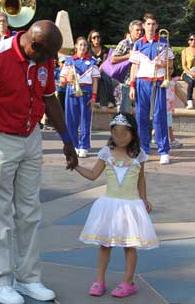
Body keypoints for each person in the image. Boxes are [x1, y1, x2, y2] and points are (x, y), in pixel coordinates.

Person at [0, 20, 78, 304]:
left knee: (29, 213)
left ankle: (28, 279)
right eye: (48, 55)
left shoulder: (43, 59)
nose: (51, 61)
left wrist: (66, 139)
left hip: (31, 138)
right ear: (35, 45)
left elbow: (50, 99)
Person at [71, 112, 158, 298]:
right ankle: (99, 280)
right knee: (104, 244)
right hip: (109, 206)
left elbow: (141, 179)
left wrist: (144, 198)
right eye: (116, 133)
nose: (120, 138)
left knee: (130, 245)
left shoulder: (138, 155)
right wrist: (76, 166)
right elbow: (93, 174)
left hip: (131, 205)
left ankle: (128, 282)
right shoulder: (106, 153)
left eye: (124, 133)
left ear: (133, 133)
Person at [128, 13, 172, 164]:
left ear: (157, 26)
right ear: (144, 25)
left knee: (160, 116)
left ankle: (164, 151)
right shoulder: (138, 44)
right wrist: (132, 85)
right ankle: (143, 149)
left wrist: (164, 65)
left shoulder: (165, 42)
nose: (151, 27)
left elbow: (171, 67)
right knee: (141, 117)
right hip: (142, 82)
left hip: (159, 82)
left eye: (153, 24)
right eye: (148, 24)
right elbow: (134, 66)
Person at [60, 36, 100, 158]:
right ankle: (73, 145)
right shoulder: (69, 61)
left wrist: (94, 97)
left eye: (85, 45)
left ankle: (84, 146)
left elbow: (95, 81)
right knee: (71, 120)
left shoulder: (92, 62)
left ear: (87, 47)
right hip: (71, 91)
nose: (82, 47)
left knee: (85, 120)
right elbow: (62, 80)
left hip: (86, 92)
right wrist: (68, 78)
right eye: (80, 45)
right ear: (76, 46)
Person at [111, 20, 143, 113]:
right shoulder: (124, 43)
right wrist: (128, 56)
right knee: (125, 110)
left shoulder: (143, 44)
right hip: (126, 80)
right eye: (137, 30)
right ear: (131, 31)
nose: (140, 32)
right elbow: (113, 59)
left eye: (141, 30)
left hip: (141, 79)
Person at [88, 29, 113, 109]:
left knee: (107, 78)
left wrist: (99, 71)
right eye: (94, 37)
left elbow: (105, 62)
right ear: (91, 39)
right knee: (96, 79)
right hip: (92, 70)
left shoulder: (104, 49)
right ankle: (97, 101)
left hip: (103, 69)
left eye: (98, 37)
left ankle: (110, 101)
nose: (96, 39)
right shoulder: (88, 50)